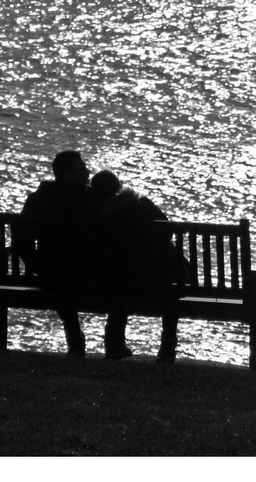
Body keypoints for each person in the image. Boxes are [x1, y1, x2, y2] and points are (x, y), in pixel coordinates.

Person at [17, 150, 127, 358]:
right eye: (81, 166)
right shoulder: (90, 200)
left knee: (60, 278)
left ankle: (74, 338)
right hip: (90, 275)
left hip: (51, 274)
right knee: (124, 275)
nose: (87, 169)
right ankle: (114, 341)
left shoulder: (38, 199)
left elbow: (21, 240)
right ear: (69, 173)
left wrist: (36, 266)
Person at [88, 169, 182, 360]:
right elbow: (166, 229)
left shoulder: (94, 211)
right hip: (154, 278)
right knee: (172, 288)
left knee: (121, 279)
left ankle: (114, 343)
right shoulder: (139, 202)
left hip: (112, 279)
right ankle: (167, 347)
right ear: (119, 186)